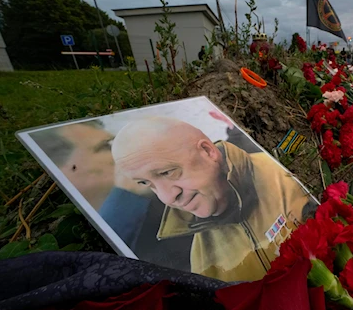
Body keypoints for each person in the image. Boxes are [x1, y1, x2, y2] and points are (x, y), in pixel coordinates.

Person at [109, 117, 315, 282]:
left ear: (208, 152)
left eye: (167, 172)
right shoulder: (187, 258)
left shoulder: (280, 176)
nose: (167, 198)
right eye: (146, 183)